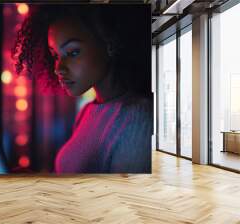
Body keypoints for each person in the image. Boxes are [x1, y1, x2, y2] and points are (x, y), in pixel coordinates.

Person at [13, 5, 152, 173]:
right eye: (55, 55)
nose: (58, 68)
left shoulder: (137, 118)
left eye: (72, 52)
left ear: (109, 44)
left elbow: (125, 197)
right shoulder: (87, 112)